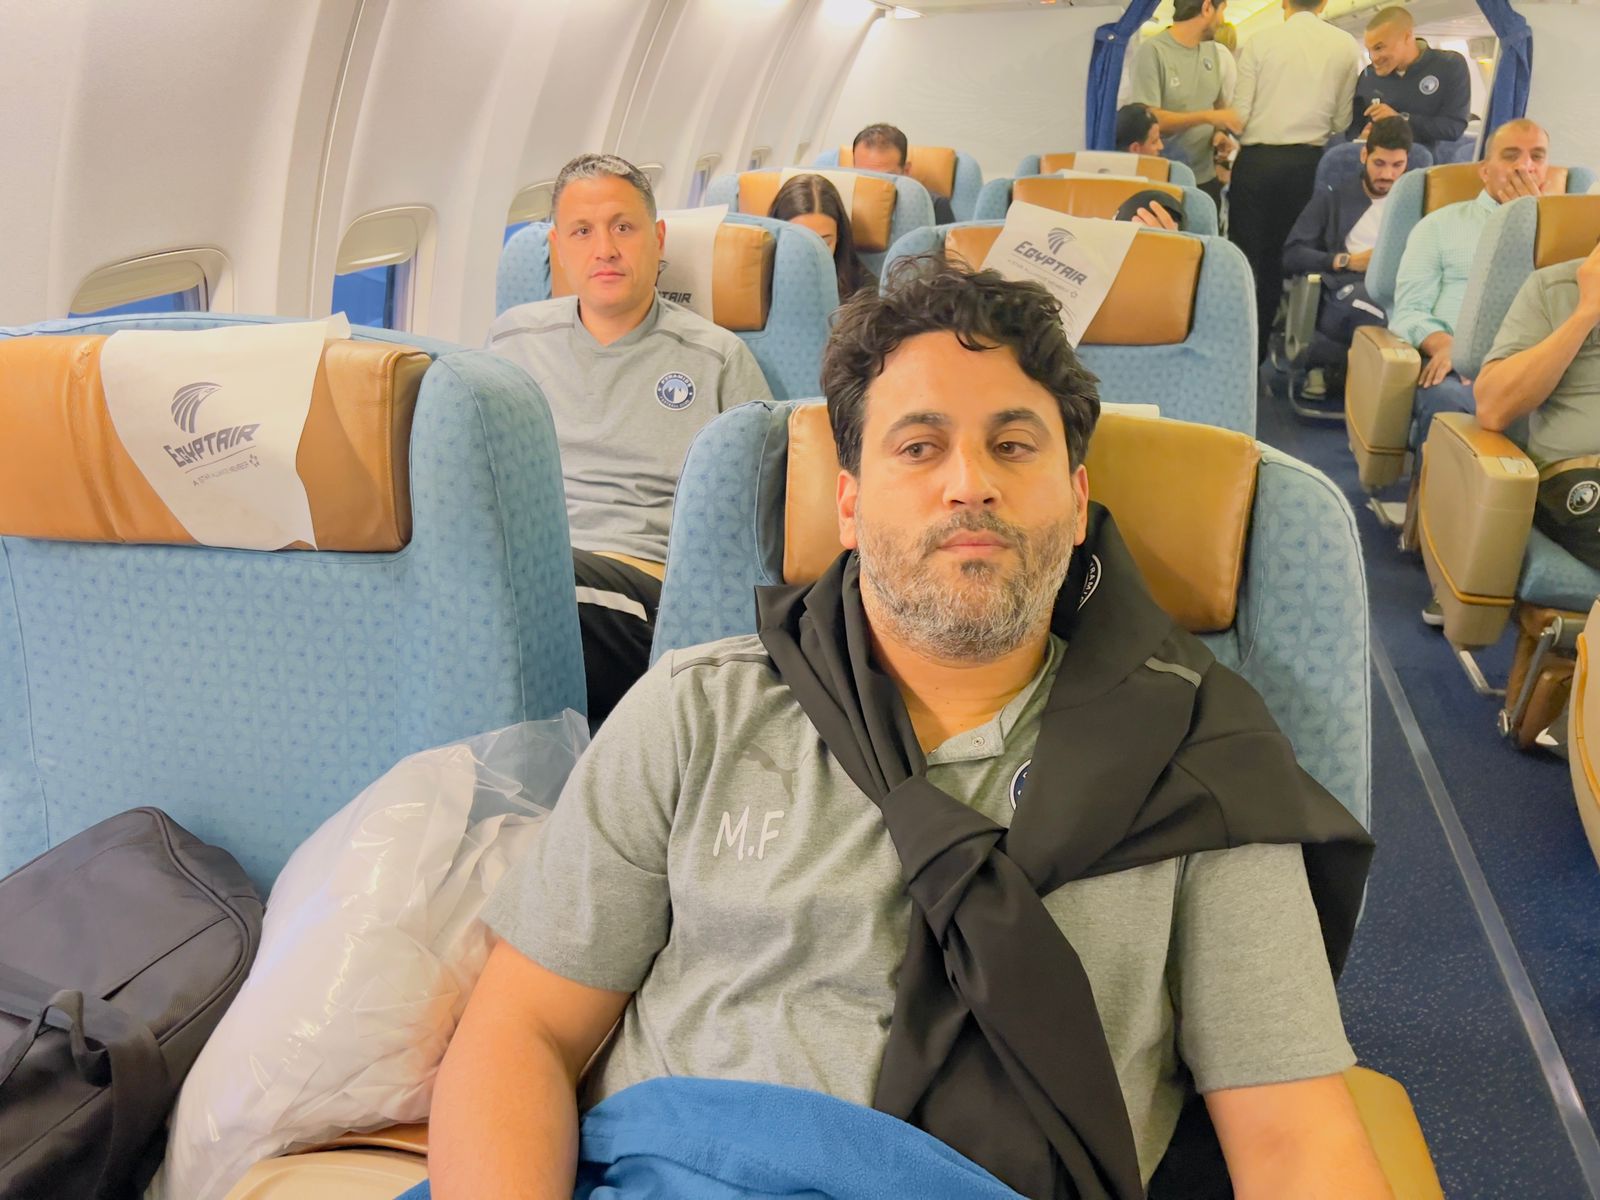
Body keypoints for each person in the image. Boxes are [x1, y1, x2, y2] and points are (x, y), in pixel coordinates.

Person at [429, 261, 1390, 1199]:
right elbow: (522, 1031)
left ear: (1077, 500)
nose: (969, 483)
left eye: (1013, 445)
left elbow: (1294, 1139)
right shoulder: (696, 711)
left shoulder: (1200, 764)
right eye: (920, 447)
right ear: (849, 505)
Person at [485, 153, 774, 728]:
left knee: (527, 587)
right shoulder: (512, 341)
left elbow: (763, 515)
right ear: (558, 248)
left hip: (648, 587)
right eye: (582, 232)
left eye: (623, 227)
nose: (605, 249)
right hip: (532, 561)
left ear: (658, 238)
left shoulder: (718, 358)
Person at [1390, 119, 1551, 447]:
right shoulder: (1439, 226)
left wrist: (1535, 222)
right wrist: (1448, 346)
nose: (1525, 167)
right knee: (1450, 403)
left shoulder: (1563, 234)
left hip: (1538, 371)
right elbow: (1409, 310)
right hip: (1461, 369)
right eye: (1511, 156)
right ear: (1485, 171)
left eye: (1537, 156)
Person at [1229, 0, 1363, 363]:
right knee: (1286, 260)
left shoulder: (1260, 41)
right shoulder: (1345, 45)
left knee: (1247, 263)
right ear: (1324, 4)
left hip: (1256, 165)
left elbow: (1239, 115)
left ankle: (1243, 353)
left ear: (1284, 3)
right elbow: (1341, 121)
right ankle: (1281, 352)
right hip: (1307, 166)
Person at [1282, 115, 1414, 393]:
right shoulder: (1333, 199)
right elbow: (1292, 254)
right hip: (1343, 292)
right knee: (1390, 317)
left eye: (1397, 165)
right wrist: (1346, 261)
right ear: (1364, 155)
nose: (1387, 175)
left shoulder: (1413, 207)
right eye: (1379, 163)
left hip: (1401, 289)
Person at [1125, 0, 1239, 210]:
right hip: (1166, 180)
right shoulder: (1153, 52)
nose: (1223, 20)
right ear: (1207, 8)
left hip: (1206, 177)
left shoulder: (1212, 51)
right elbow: (1149, 120)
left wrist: (1218, 133)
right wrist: (1208, 117)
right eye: (1222, 11)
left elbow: (1215, 104)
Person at [1343, 7, 1470, 156]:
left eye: (1379, 47)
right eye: (1369, 50)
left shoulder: (1448, 65)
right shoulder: (1368, 76)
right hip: (1378, 164)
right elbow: (1354, 127)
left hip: (1425, 163)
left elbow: (1454, 128)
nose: (1373, 57)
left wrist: (1400, 120)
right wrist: (1361, 137)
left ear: (1407, 37)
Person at [767, 172, 874, 302]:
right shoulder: (757, 281)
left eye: (824, 243)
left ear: (838, 237)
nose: (811, 256)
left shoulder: (864, 293)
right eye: (798, 243)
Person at [851, 122, 957, 224]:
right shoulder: (844, 200)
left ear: (906, 171)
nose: (873, 186)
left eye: (885, 177)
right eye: (864, 175)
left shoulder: (933, 207)